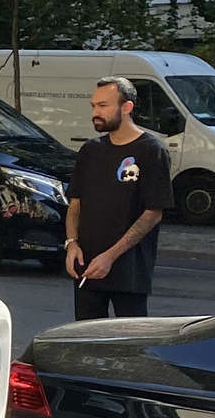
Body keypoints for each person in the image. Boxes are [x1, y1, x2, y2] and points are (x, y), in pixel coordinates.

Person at [66, 75, 171, 320]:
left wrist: (110, 256)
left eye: (103, 106)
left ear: (127, 107)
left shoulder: (151, 151)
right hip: (87, 269)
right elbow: (75, 204)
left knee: (128, 345)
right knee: (85, 342)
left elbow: (153, 212)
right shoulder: (91, 150)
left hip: (129, 272)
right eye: (94, 106)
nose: (95, 112)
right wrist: (71, 243)